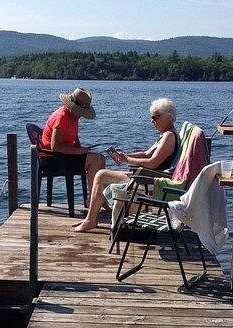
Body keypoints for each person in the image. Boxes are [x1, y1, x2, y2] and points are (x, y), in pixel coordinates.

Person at [72, 97, 180, 233]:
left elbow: (152, 163)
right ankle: (92, 216)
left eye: (155, 117)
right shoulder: (165, 135)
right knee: (102, 175)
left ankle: (91, 220)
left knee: (101, 175)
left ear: (168, 117)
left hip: (150, 180)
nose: (152, 121)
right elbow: (147, 154)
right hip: (147, 175)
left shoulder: (169, 137)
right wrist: (124, 156)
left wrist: (127, 160)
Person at [41, 87, 105, 199]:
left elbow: (74, 138)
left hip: (63, 156)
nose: (80, 116)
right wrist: (79, 151)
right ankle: (93, 200)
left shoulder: (73, 117)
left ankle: (99, 197)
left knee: (101, 158)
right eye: (80, 112)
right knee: (95, 160)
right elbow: (55, 146)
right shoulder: (62, 117)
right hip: (53, 159)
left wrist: (81, 150)